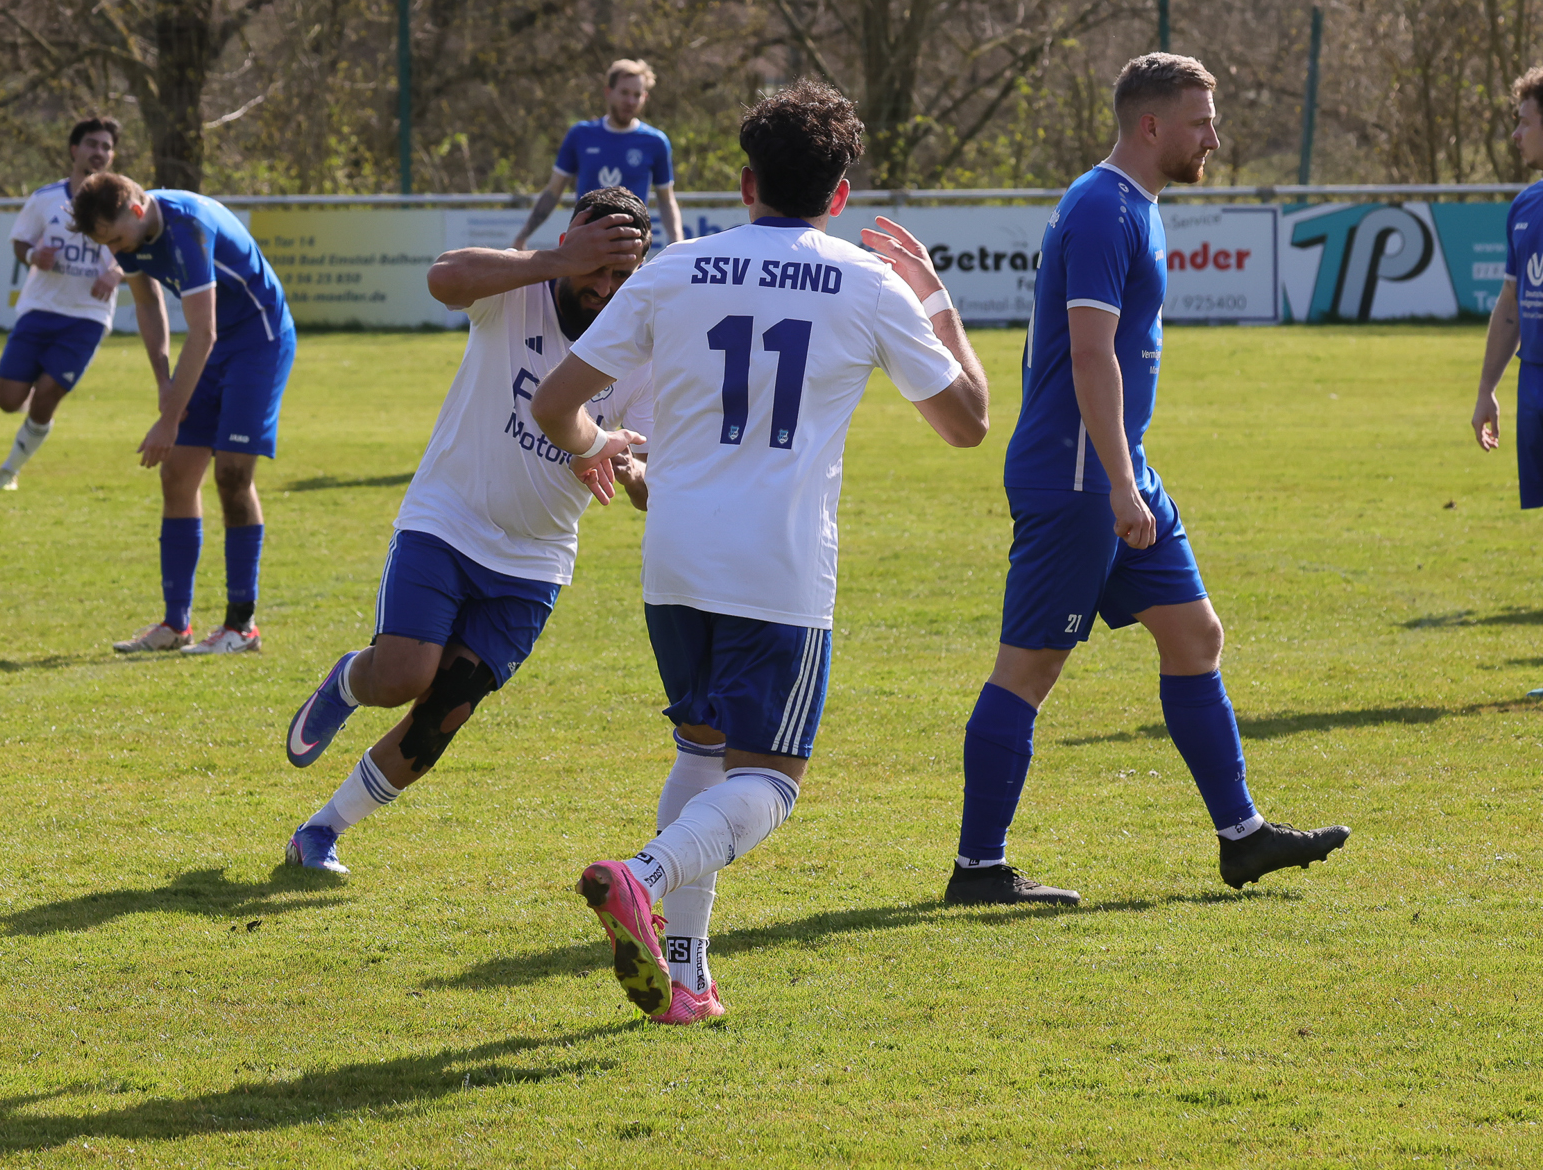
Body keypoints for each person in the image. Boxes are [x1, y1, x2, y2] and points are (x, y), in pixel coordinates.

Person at [531, 81, 989, 1025]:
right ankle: (642, 874)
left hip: (675, 559)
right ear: (839, 195)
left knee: (701, 753)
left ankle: (687, 975)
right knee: (771, 783)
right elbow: (968, 423)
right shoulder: (868, 283)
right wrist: (936, 301)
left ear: (745, 183)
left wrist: (596, 446)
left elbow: (554, 403)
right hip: (776, 567)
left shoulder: (675, 268)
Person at [945, 53, 1350, 907]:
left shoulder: (1136, 205)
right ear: (1151, 124)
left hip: (1117, 469)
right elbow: (1089, 354)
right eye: (1201, 122)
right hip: (1081, 478)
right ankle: (979, 869)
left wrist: (1129, 477)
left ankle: (1242, 837)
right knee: (1029, 669)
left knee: (1195, 636)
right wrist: (1120, 487)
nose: (1214, 139)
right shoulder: (1103, 206)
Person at [279, 187, 655, 876]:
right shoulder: (517, 287)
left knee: (443, 715)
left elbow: (653, 489)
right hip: (447, 521)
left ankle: (321, 832)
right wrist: (554, 261)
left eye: (620, 274)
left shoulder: (641, 347)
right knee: (402, 677)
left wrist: (629, 468)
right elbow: (442, 277)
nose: (603, 288)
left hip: (536, 562)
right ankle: (349, 682)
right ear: (568, 243)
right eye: (593, 265)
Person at [73, 171, 296, 655]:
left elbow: (203, 331)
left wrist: (170, 419)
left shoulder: (187, 227)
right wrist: (164, 383)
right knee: (176, 474)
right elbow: (148, 302)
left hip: (258, 341)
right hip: (211, 345)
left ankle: (242, 627)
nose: (114, 250)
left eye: (114, 239)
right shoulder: (129, 234)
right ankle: (176, 625)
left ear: (136, 209)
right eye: (105, 243)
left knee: (232, 476)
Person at [0, 117, 127, 490]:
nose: (99, 152)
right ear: (74, 150)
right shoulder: (45, 198)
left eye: (106, 146)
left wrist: (116, 273)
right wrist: (34, 255)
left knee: (47, 396)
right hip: (40, 308)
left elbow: (139, 250)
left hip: (88, 316)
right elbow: (21, 242)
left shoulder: (123, 202)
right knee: (8, 400)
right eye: (92, 144)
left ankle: (9, 471)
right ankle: (32, 395)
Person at [511, 60, 684, 250]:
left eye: (637, 95)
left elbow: (666, 200)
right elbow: (553, 191)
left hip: (630, 246)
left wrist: (677, 243)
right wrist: (523, 235)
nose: (630, 101)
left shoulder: (655, 142)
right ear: (608, 92)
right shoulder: (581, 135)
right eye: (624, 92)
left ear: (645, 97)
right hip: (584, 244)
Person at [1470, 67, 1543, 507]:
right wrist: (1486, 390)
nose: (1515, 135)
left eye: (1525, 123)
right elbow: (1512, 302)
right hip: (1533, 381)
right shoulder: (1525, 206)